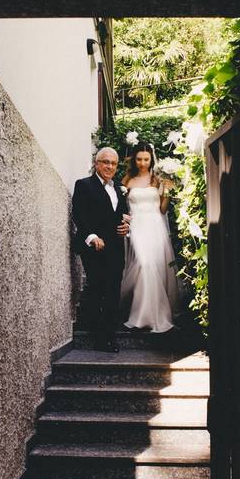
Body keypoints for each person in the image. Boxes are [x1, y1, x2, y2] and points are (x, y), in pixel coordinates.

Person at [72, 147, 130, 352]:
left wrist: (126, 227)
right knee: (97, 288)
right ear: (96, 163)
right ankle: (98, 337)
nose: (110, 167)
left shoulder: (120, 188)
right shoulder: (84, 185)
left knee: (113, 290)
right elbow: (78, 214)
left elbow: (122, 214)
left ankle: (110, 336)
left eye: (113, 163)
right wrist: (92, 236)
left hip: (115, 247)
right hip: (94, 247)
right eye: (105, 162)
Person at [120, 142, 180, 333]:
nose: (142, 163)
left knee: (154, 267)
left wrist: (168, 190)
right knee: (144, 264)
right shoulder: (126, 180)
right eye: (139, 159)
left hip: (155, 226)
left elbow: (162, 209)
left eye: (146, 159)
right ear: (134, 159)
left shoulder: (157, 180)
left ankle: (156, 316)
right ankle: (140, 315)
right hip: (137, 226)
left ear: (151, 159)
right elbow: (119, 207)